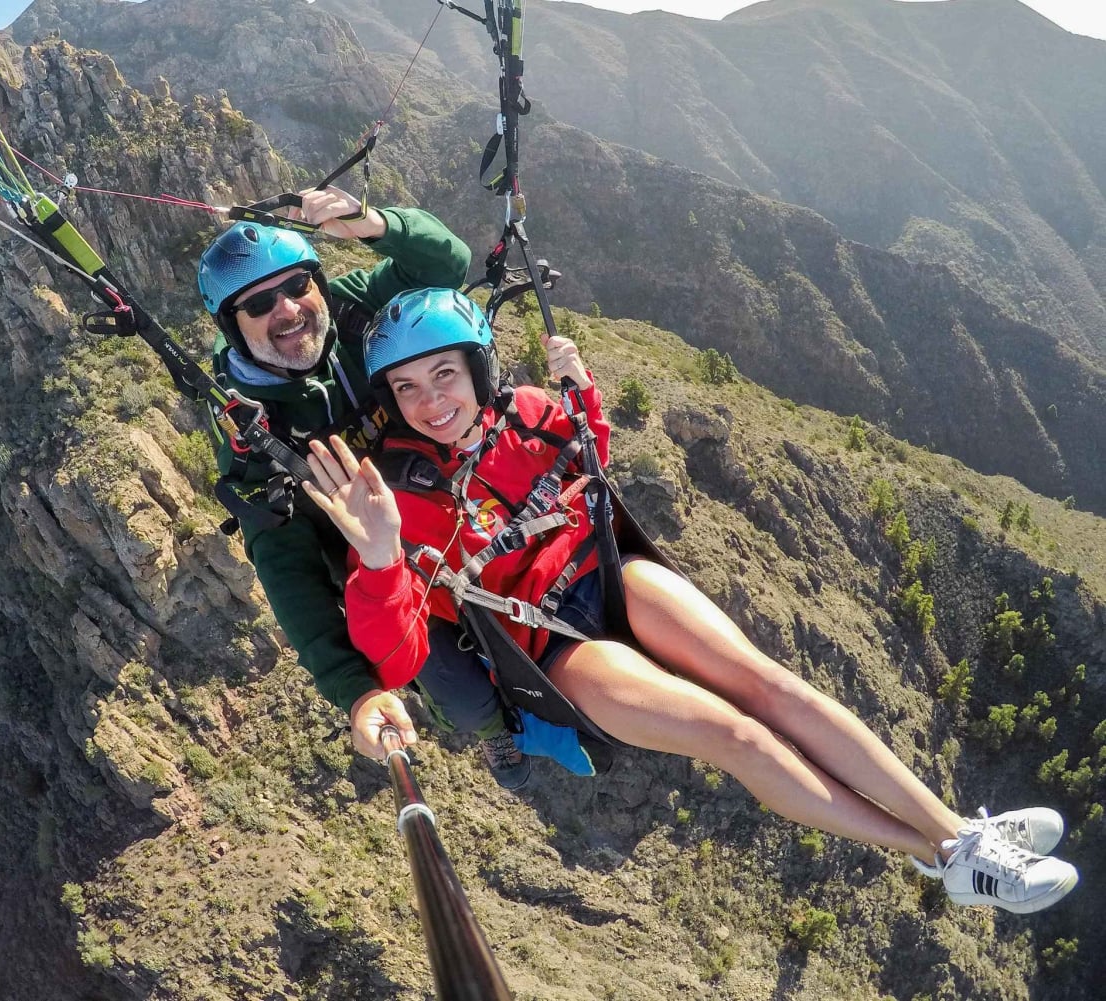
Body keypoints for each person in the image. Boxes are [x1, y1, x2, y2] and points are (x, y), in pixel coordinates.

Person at [303, 286, 1079, 914]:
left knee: (769, 684)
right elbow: (400, 654)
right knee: (737, 736)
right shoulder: (395, 498)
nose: (430, 401)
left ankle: (956, 836)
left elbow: (585, 463)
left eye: (443, 374)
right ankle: (947, 853)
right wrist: (377, 557)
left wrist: (584, 397)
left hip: (600, 570)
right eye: (406, 387)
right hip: (551, 644)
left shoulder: (532, 411)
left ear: (478, 368)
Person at [197, 188, 532, 787]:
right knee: (461, 695)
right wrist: (356, 692)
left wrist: (377, 224)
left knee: (534, 594)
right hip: (381, 563)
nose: (289, 309)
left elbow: (442, 267)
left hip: (448, 491)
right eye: (260, 303)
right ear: (232, 325)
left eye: (297, 285)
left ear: (319, 283)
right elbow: (285, 567)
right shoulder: (253, 429)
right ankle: (493, 734)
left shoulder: (347, 313)